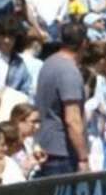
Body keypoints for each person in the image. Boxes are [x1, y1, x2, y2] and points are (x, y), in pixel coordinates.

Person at [33, 21, 90, 177]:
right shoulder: (69, 71)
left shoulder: (48, 63)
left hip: (45, 146)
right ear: (84, 43)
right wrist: (83, 158)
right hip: (62, 153)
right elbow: (72, 119)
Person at [0, 104, 45, 184]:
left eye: (38, 122)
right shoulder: (6, 143)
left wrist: (33, 163)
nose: (37, 126)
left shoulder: (30, 142)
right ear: (19, 121)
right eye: (34, 122)